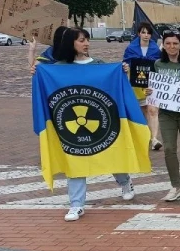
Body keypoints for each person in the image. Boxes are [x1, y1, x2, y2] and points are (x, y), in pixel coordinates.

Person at [54, 28, 136, 221]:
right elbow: (47, 82)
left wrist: (123, 72)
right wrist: (36, 71)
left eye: (87, 40)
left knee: (110, 152)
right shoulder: (60, 67)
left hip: (99, 119)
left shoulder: (98, 64)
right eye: (81, 40)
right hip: (73, 121)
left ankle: (125, 182)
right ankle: (76, 204)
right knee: (75, 159)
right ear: (70, 44)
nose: (86, 44)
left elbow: (113, 86)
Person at [147, 30, 180, 201]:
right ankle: (175, 186)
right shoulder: (158, 64)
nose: (172, 46)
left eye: (175, 43)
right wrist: (150, 91)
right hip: (167, 113)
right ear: (163, 45)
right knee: (169, 148)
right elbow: (153, 85)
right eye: (168, 43)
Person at [122, 22, 162, 150]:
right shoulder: (130, 49)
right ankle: (147, 136)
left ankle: (154, 139)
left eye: (148, 33)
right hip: (136, 85)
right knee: (143, 111)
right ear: (139, 33)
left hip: (151, 84)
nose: (146, 35)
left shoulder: (156, 50)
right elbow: (125, 63)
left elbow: (160, 66)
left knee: (152, 110)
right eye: (143, 32)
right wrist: (126, 67)